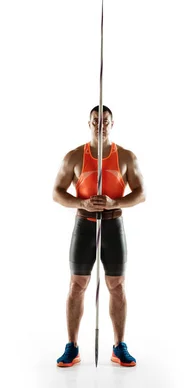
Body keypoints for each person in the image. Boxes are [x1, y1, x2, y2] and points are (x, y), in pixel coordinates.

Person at [52, 105, 146, 367]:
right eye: (96, 121)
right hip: (85, 225)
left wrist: (114, 201)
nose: (100, 125)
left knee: (117, 286)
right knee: (77, 285)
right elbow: (57, 192)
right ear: (89, 123)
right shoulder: (74, 157)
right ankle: (72, 346)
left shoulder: (126, 156)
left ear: (112, 123)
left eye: (105, 121)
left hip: (113, 227)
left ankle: (119, 346)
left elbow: (140, 193)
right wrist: (81, 204)